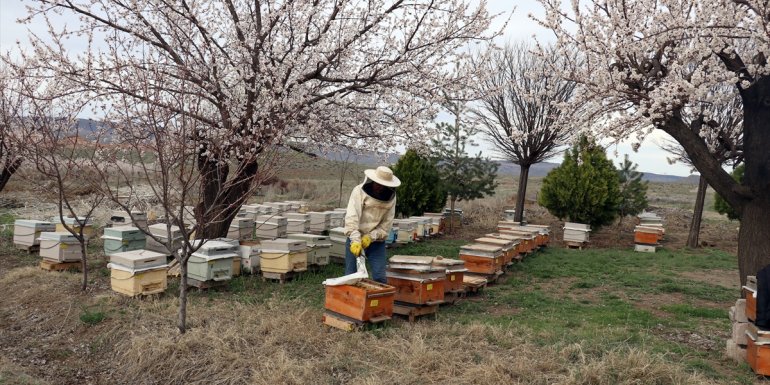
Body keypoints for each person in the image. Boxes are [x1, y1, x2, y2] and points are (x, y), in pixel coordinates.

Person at [343, 166, 400, 284]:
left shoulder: (391, 198)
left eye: (383, 185)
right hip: (355, 238)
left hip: (376, 241)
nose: (380, 187)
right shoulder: (359, 191)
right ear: (373, 181)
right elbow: (352, 217)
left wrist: (371, 237)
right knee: (351, 277)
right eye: (378, 184)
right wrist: (355, 240)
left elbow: (386, 225)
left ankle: (380, 302)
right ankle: (353, 302)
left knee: (380, 276)